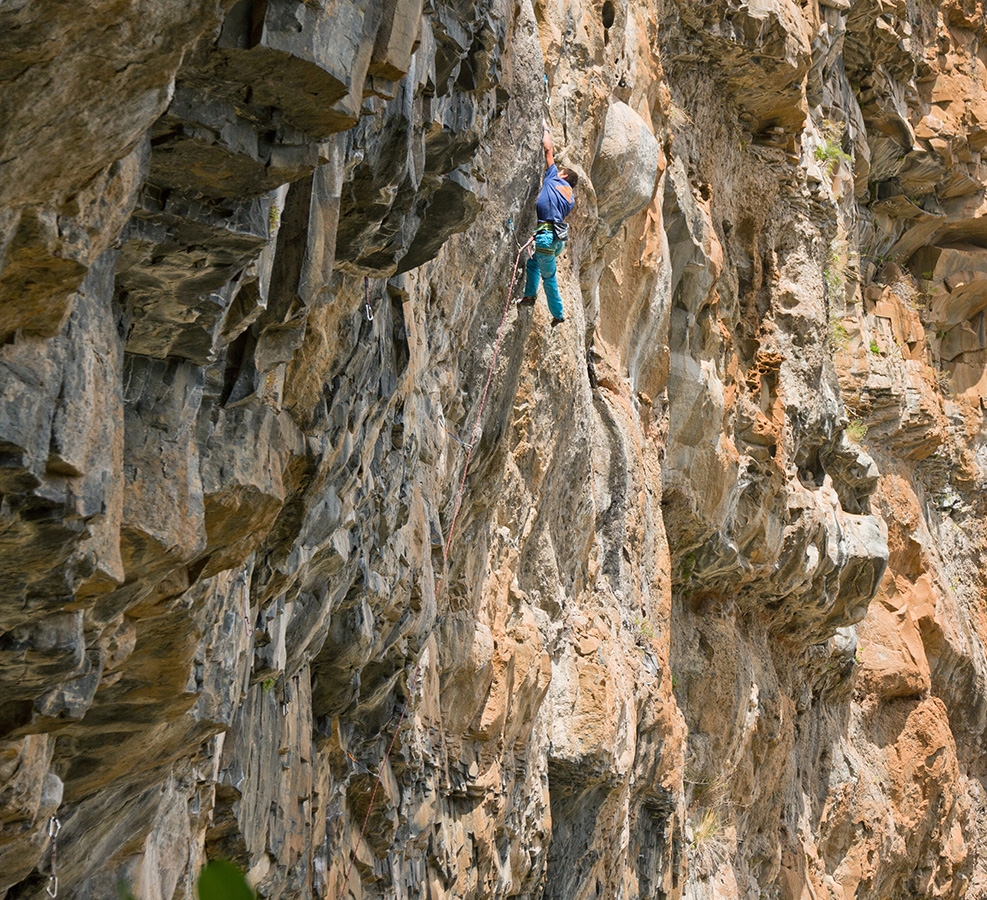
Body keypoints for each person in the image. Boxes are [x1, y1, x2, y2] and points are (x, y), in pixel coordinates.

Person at [518, 122, 578, 326]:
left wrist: (545, 128)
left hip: (546, 237)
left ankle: (558, 314)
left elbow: (548, 149)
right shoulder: (570, 198)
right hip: (556, 238)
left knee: (549, 277)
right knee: (534, 263)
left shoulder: (554, 178)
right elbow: (555, 214)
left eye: (560, 171)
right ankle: (529, 296)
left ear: (563, 176)